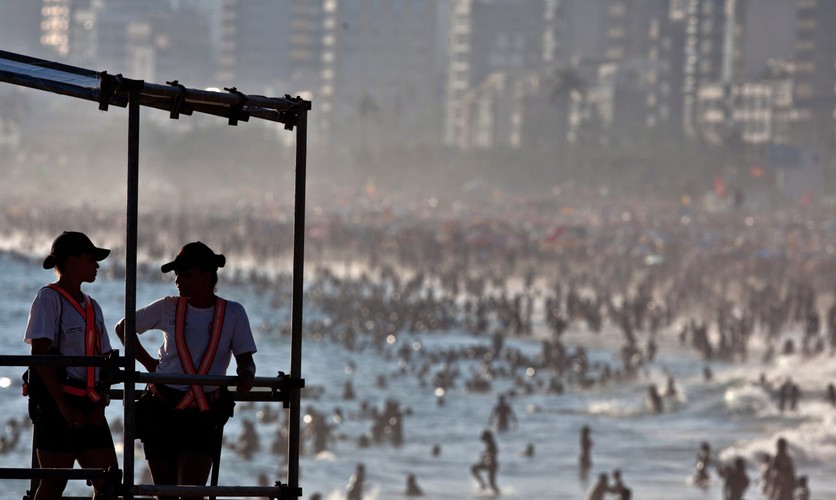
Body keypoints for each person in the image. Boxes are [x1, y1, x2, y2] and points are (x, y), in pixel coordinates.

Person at [116, 241, 256, 497]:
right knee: (165, 493)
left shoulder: (233, 313)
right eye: (177, 275)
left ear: (206, 277)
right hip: (161, 408)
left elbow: (245, 357)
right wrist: (149, 365)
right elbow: (123, 327)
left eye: (185, 275)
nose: (177, 281)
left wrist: (246, 374)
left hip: (203, 415)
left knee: (193, 493)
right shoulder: (168, 306)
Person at [23, 231, 119, 499]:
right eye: (91, 259)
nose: (97, 266)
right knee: (53, 484)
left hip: (90, 407)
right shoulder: (48, 299)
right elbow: (40, 355)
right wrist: (64, 407)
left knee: (109, 484)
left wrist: (100, 404)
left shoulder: (93, 306)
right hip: (57, 406)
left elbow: (104, 359)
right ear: (72, 261)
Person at [471, 429, 500, 494]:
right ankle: (483, 484)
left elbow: (493, 455)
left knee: (492, 484)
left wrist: (486, 456)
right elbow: (489, 454)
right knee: (473, 469)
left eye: (482, 436)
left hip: (492, 465)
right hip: (489, 464)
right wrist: (484, 455)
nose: (481, 437)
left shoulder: (492, 445)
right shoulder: (489, 444)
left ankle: (498, 493)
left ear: (487, 437)